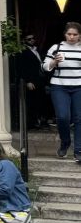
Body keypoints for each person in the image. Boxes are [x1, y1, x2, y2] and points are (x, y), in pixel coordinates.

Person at [44, 22, 81, 161]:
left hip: (79, 86)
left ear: (79, 36)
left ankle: (78, 150)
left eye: (75, 34)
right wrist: (54, 62)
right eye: (69, 34)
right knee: (62, 117)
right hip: (59, 86)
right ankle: (65, 142)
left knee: (79, 118)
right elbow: (44, 66)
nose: (71, 37)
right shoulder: (56, 47)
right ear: (65, 34)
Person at [16, 33, 50, 129]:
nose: (32, 40)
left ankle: (39, 121)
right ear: (24, 41)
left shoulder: (37, 50)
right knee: (31, 102)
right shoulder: (23, 51)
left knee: (40, 101)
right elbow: (22, 67)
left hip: (40, 80)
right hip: (31, 81)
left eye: (33, 38)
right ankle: (31, 124)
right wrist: (28, 81)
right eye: (29, 39)